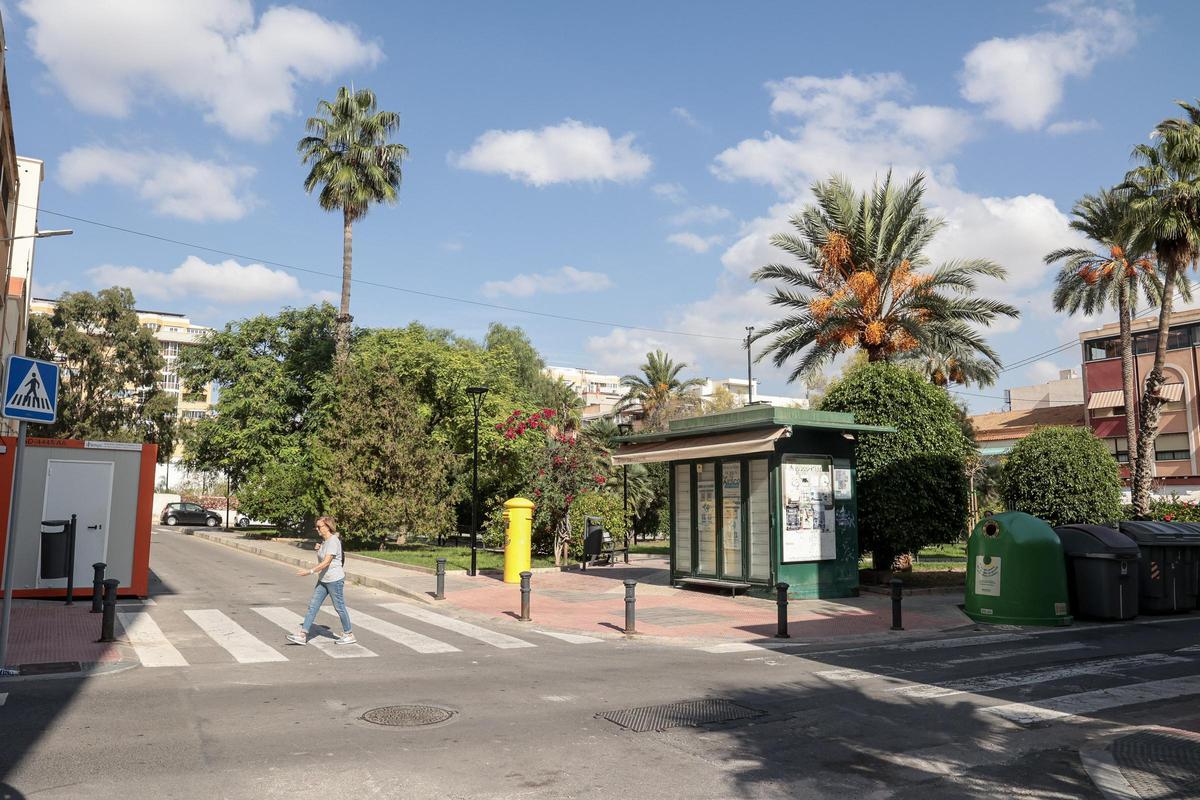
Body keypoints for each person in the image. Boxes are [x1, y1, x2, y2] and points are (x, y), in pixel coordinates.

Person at [287, 515, 355, 645]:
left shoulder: (333, 541)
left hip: (334, 580)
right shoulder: (325, 541)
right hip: (324, 579)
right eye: (316, 526)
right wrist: (319, 549)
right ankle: (303, 635)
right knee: (313, 606)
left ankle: (349, 634)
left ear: (328, 527)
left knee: (339, 607)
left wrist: (310, 571)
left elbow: (326, 562)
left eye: (320, 526)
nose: (317, 529)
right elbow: (323, 558)